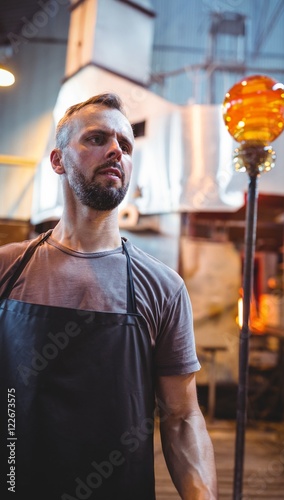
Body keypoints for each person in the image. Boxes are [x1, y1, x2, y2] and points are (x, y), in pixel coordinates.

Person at [0, 93, 218, 500]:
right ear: (58, 161)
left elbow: (181, 416)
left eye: (126, 144)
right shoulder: (8, 269)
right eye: (96, 138)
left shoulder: (163, 287)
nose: (116, 149)